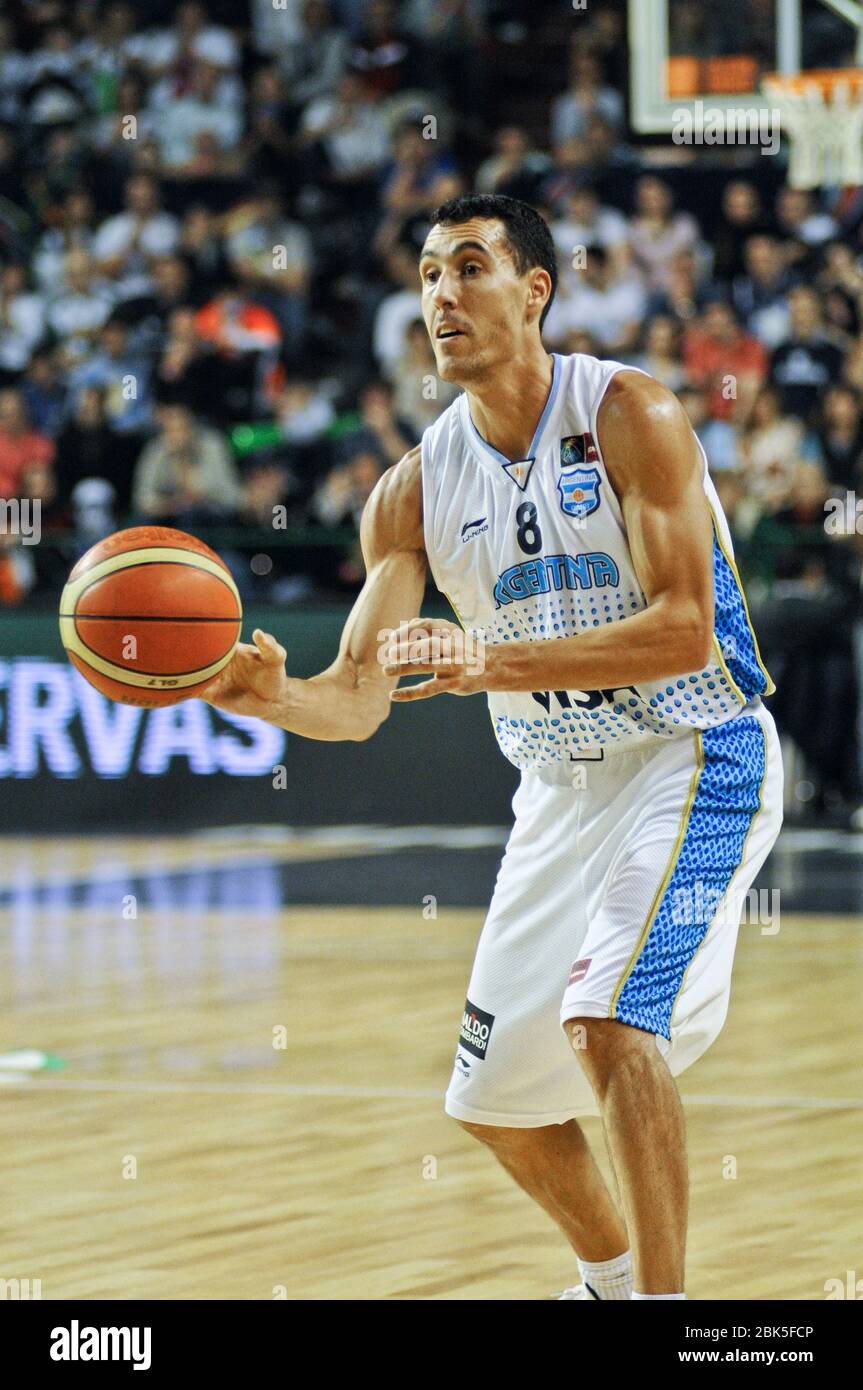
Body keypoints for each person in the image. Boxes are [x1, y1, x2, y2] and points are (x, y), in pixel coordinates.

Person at [202, 193, 783, 1301]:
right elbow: (360, 700)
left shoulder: (629, 413)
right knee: (492, 1105)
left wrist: (487, 660)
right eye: (425, 274)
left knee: (609, 1022)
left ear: (533, 290)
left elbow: (681, 628)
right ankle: (607, 1285)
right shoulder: (410, 491)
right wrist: (270, 697)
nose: (440, 294)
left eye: (467, 266)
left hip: (693, 751)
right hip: (557, 791)